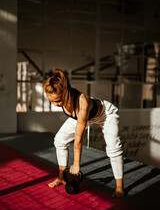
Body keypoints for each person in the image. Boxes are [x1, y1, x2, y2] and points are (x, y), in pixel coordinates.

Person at [44, 68, 124, 198]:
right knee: (59, 140)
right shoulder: (62, 99)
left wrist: (76, 164)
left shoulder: (82, 101)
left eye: (58, 101)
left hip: (105, 115)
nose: (55, 105)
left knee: (113, 147)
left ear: (65, 93)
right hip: (84, 117)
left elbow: (78, 137)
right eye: (51, 101)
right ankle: (61, 177)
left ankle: (120, 187)